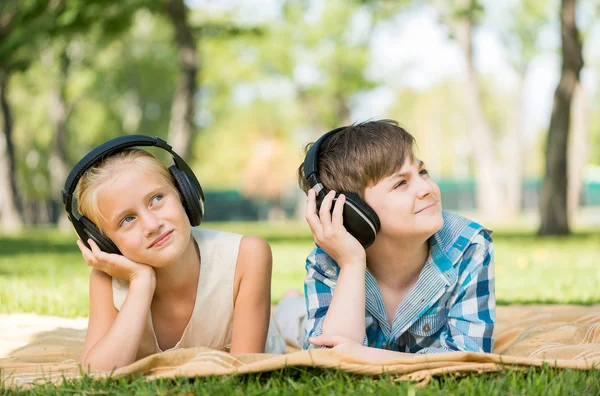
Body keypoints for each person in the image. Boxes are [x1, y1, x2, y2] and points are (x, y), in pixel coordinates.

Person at [62, 135, 285, 371]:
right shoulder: (106, 279)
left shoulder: (247, 255)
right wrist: (141, 282)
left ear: (183, 193)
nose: (151, 225)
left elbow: (242, 370)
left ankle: (289, 304)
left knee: (292, 319)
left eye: (156, 198)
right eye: (127, 219)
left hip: (276, 334)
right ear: (104, 241)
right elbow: (96, 373)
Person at [297, 120, 495, 361]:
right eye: (401, 183)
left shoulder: (468, 245)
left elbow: (469, 358)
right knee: (293, 322)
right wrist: (351, 263)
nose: (426, 188)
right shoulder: (327, 260)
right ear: (355, 212)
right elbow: (329, 359)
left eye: (422, 172)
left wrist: (365, 356)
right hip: (302, 319)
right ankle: (292, 304)